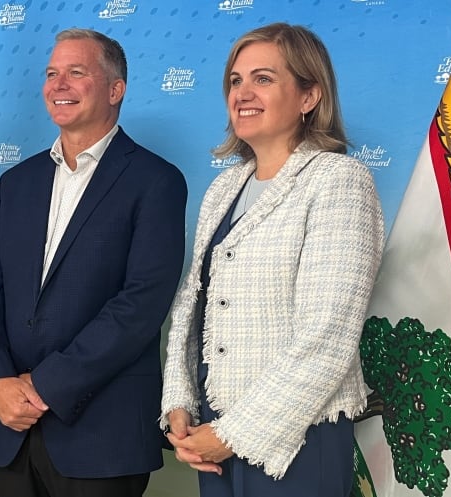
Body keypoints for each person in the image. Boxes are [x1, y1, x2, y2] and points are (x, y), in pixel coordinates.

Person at [160, 23, 384, 497]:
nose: (243, 93)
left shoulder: (339, 180)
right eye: (235, 81)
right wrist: (179, 400)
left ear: (309, 96)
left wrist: (233, 434)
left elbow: (329, 333)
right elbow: (190, 306)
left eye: (263, 79)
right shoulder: (225, 187)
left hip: (298, 436)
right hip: (213, 434)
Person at [0, 28, 187, 497]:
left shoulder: (156, 181)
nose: (58, 84)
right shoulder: (18, 181)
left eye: (76, 72)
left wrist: (45, 386)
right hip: (12, 430)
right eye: (51, 73)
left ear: (115, 88)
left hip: (102, 435)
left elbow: (141, 304)